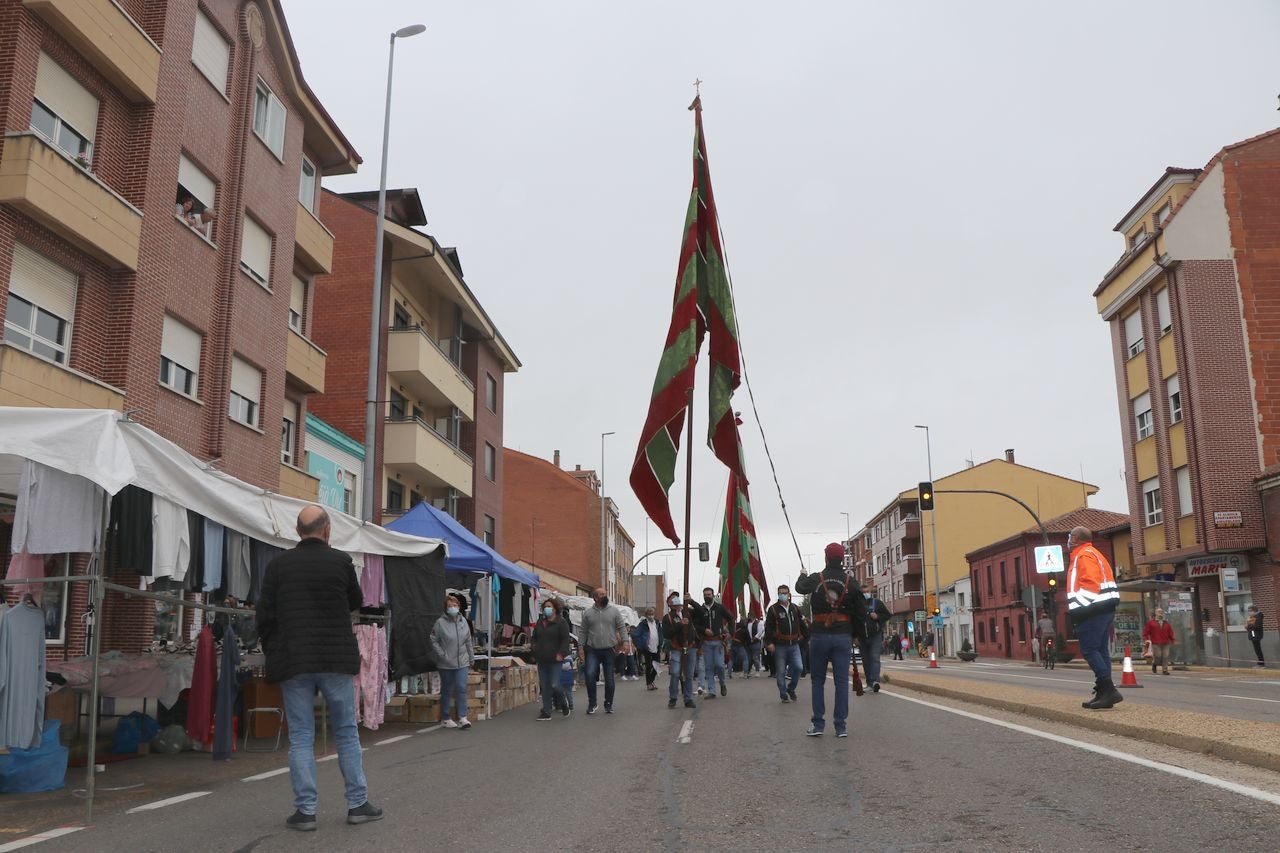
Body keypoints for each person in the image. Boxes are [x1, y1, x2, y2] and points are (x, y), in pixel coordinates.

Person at [256, 506, 382, 831]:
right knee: (345, 731)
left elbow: (264, 614)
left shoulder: (278, 565)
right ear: (327, 530)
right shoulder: (341, 562)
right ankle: (357, 804)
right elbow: (355, 601)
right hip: (335, 660)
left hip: (294, 659)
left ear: (298, 531)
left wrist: (274, 649)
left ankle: (306, 811)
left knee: (300, 735)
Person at [1066, 526, 1122, 709]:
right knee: (1100, 650)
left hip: (1092, 611)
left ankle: (1108, 689)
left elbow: (1090, 584)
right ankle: (1103, 692)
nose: (1068, 540)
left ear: (1075, 538)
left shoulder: (1082, 556)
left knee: (1090, 649)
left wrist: (1080, 609)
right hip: (1105, 608)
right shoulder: (1094, 553)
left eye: (1070, 537)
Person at [431, 593, 475, 729]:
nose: (453, 607)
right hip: (446, 662)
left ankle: (463, 717)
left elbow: (468, 641)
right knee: (447, 690)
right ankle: (445, 717)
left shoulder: (464, 622)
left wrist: (471, 656)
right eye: (450, 606)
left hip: (462, 661)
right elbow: (433, 639)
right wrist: (442, 654)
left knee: (461, 688)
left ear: (459, 607)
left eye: (455, 605)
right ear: (446, 608)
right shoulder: (440, 623)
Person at [581, 587, 625, 714]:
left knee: (609, 679)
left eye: (605, 594)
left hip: (609, 649)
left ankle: (608, 703)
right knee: (589, 675)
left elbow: (622, 627)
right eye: (601, 594)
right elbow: (583, 632)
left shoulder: (614, 611)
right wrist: (580, 648)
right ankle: (592, 703)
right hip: (592, 649)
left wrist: (626, 642)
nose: (604, 596)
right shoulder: (588, 613)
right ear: (595, 598)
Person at [764, 584, 807, 703]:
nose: (783, 595)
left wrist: (806, 638)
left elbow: (802, 624)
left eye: (785, 593)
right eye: (781, 593)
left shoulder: (795, 608)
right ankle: (783, 694)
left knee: (799, 667)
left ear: (789, 595)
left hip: (794, 645)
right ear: (778, 594)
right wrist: (769, 643)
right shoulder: (773, 609)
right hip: (779, 646)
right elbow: (768, 628)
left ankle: (791, 688)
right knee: (781, 672)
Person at [533, 598, 571, 719]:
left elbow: (566, 639)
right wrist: (534, 648)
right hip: (542, 658)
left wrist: (561, 653)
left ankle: (563, 702)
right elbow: (535, 637)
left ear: (555, 608)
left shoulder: (561, 622)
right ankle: (546, 711)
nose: (547, 609)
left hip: (555, 658)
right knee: (544, 686)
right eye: (545, 607)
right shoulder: (540, 621)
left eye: (549, 606)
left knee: (555, 684)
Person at [695, 587, 732, 698]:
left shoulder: (719, 608)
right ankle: (712, 691)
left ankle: (722, 683)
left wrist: (731, 633)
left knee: (720, 665)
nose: (707, 596)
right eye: (705, 594)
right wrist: (704, 630)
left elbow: (730, 618)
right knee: (709, 667)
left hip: (718, 642)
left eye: (709, 594)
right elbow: (695, 625)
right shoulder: (700, 610)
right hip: (706, 642)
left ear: (713, 595)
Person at [662, 592, 698, 708]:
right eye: (674, 603)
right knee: (675, 673)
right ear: (670, 605)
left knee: (689, 675)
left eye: (679, 603)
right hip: (676, 648)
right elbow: (666, 634)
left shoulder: (688, 613)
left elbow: (701, 612)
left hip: (691, 647)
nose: (677, 606)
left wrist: (691, 601)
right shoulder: (667, 618)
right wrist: (680, 625)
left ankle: (688, 699)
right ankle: (673, 698)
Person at [860, 587, 891, 693]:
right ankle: (869, 683)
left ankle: (875, 681)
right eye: (863, 592)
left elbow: (888, 615)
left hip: (875, 636)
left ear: (870, 592)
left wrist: (877, 616)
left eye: (867, 591)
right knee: (866, 661)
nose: (865, 593)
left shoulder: (877, 603)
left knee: (874, 657)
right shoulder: (857, 604)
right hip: (862, 637)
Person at [1142, 607, 1175, 676]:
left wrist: (1172, 639)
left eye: (1161, 612)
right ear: (1156, 613)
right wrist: (1146, 639)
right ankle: (1155, 664)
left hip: (1165, 642)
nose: (1160, 613)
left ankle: (1165, 670)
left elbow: (1170, 632)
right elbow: (1146, 632)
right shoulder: (1151, 623)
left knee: (1165, 656)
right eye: (1158, 612)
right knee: (1158, 656)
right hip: (1155, 643)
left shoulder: (1166, 623)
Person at [634, 608, 660, 690]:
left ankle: (651, 681)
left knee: (657, 666)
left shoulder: (657, 622)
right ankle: (649, 684)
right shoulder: (643, 624)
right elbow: (636, 635)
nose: (651, 615)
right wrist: (641, 645)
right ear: (646, 615)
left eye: (652, 613)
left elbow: (660, 633)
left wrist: (662, 643)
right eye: (649, 614)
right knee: (648, 666)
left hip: (656, 646)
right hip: (647, 648)